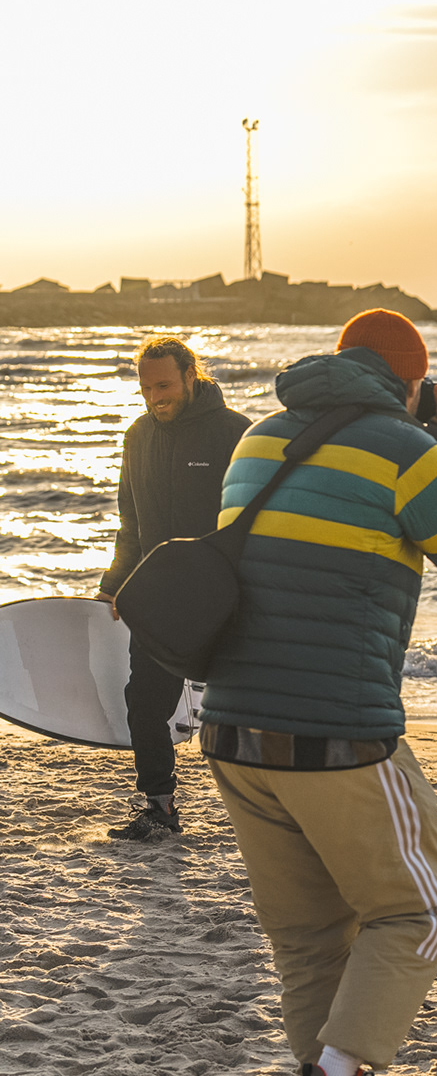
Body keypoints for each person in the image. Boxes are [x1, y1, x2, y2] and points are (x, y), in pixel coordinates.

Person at [201, 309, 437, 1076]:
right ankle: (341, 1068)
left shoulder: (259, 437)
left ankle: (324, 1065)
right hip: (337, 732)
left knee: (306, 936)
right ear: (411, 382)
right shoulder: (409, 449)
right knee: (417, 910)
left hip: (234, 732)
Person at [95, 335, 251, 841]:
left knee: (244, 711)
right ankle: (159, 805)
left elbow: (258, 522)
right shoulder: (139, 435)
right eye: (145, 389)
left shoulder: (235, 433)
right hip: (159, 597)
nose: (154, 397)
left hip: (222, 597)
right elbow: (131, 520)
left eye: (163, 385)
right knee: (144, 702)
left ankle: (274, 810)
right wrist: (115, 584)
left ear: (191, 375)